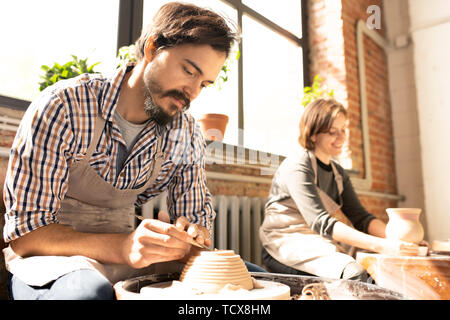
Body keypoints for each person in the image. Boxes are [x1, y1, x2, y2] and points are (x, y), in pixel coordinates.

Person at [3, 2, 263, 300]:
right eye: (189, 71)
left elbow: (195, 223)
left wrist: (190, 237)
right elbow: (26, 236)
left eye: (204, 83)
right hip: (52, 260)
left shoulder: (186, 132)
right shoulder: (65, 105)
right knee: (89, 295)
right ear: (152, 48)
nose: (193, 92)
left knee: (253, 280)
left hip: (130, 256)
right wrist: (123, 246)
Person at [259, 98, 421, 281]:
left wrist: (401, 241)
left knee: (379, 270)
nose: (341, 137)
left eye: (343, 130)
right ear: (313, 134)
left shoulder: (338, 174)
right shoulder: (298, 166)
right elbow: (320, 222)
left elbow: (361, 218)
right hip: (284, 245)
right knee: (355, 273)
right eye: (332, 132)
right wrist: (382, 245)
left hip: (316, 242)